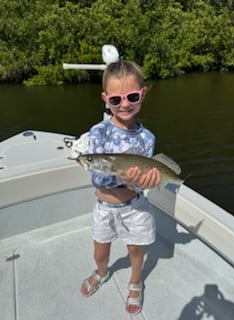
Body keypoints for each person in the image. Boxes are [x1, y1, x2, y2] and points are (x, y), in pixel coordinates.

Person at [81, 60, 161, 315]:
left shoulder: (147, 138)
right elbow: (97, 176)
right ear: (105, 99)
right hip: (104, 207)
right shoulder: (99, 132)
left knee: (136, 249)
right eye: (116, 100)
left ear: (143, 95)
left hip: (135, 206)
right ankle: (101, 272)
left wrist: (145, 181)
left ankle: (135, 282)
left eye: (132, 96)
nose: (124, 104)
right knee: (100, 250)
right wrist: (123, 178)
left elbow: (142, 178)